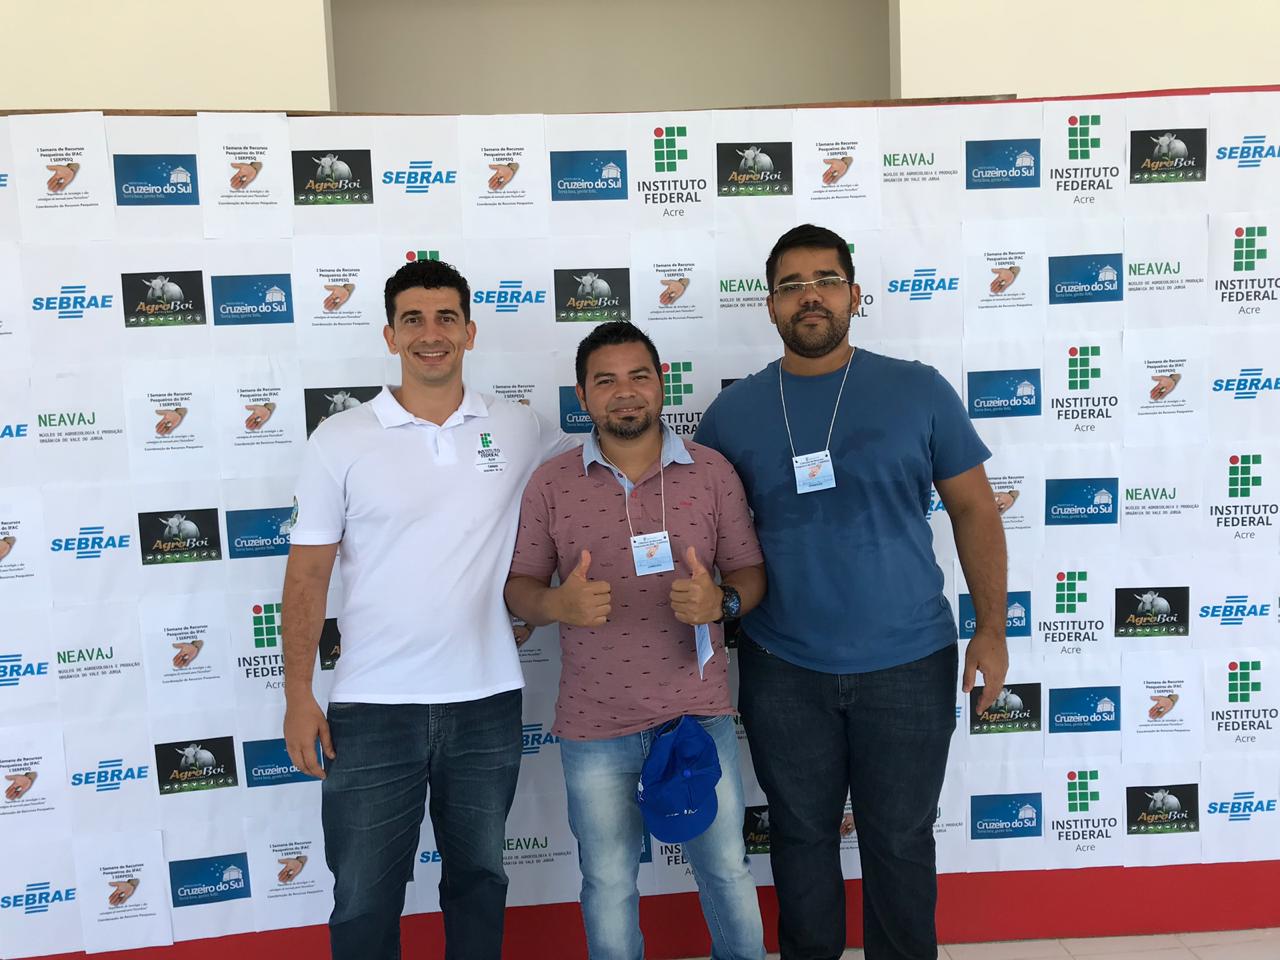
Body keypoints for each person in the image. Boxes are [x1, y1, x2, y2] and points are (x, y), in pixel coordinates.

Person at [694, 224, 1009, 960]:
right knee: (800, 839)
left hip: (909, 663)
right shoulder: (731, 415)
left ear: (855, 295)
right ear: (770, 306)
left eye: (826, 281)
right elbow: (703, 538)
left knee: (900, 841)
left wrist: (991, 630)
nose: (810, 296)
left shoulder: (918, 390)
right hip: (782, 667)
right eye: (791, 285)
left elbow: (975, 509)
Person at [281, 258, 576, 960]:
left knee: (479, 882)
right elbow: (307, 577)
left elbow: (584, 490)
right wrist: (297, 695)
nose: (430, 333)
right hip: (372, 709)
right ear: (390, 335)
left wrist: (532, 594)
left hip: (486, 701)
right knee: (363, 896)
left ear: (470, 332)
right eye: (412, 319)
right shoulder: (339, 440)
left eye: (446, 317)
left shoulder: (520, 427)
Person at [504, 321, 768, 960]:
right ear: (582, 395)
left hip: (698, 719)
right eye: (606, 381)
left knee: (727, 870)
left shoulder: (711, 472)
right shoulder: (551, 483)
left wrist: (722, 602)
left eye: (639, 376)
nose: (625, 392)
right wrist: (556, 604)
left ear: (661, 383)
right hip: (595, 728)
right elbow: (519, 588)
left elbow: (750, 572)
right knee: (608, 883)